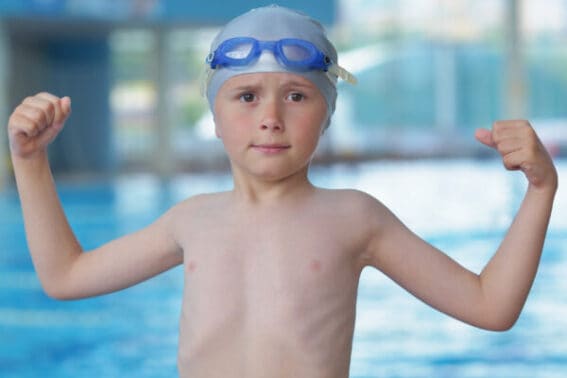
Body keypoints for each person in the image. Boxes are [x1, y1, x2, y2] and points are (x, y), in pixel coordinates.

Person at [6, 5, 558, 378]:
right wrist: (30, 163)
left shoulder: (355, 218)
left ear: (328, 114)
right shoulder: (190, 221)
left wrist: (540, 189)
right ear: (214, 117)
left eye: (296, 96)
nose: (270, 118)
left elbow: (490, 306)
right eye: (245, 96)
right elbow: (66, 277)